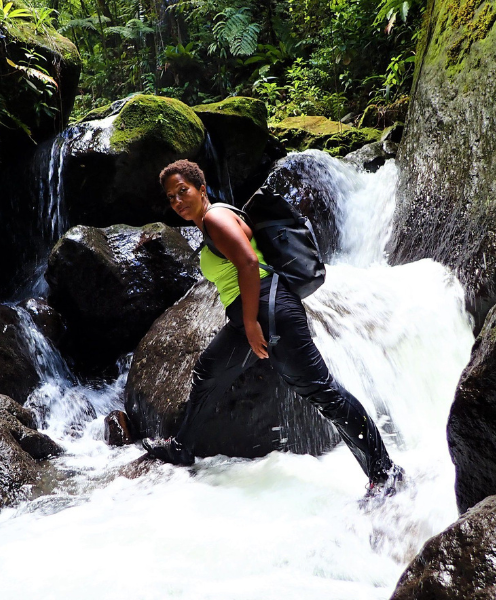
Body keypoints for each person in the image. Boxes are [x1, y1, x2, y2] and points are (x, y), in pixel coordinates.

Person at [142, 159, 403, 497]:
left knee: (323, 392)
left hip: (268, 311)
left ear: (201, 189)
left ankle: (385, 474)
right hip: (253, 312)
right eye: (171, 197)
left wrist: (251, 323)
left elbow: (249, 264)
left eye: (183, 191)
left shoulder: (215, 218)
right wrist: (246, 322)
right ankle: (182, 447)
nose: (177, 201)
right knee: (209, 368)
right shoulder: (212, 220)